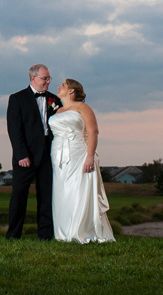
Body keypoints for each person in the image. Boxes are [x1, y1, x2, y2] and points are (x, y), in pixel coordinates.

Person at [49, 78, 115, 243]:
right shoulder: (57, 111)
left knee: (77, 189)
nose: (59, 87)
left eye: (63, 85)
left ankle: (80, 231)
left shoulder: (83, 107)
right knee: (62, 192)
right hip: (58, 154)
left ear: (71, 90)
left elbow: (93, 132)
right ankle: (63, 233)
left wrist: (90, 156)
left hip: (78, 153)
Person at [6, 63, 61, 240]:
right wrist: (22, 154)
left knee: (46, 196)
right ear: (33, 78)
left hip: (48, 154)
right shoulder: (17, 98)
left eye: (49, 78)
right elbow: (14, 129)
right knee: (19, 196)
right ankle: (13, 235)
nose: (48, 82)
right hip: (25, 155)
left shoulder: (54, 100)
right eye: (45, 78)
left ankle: (45, 235)